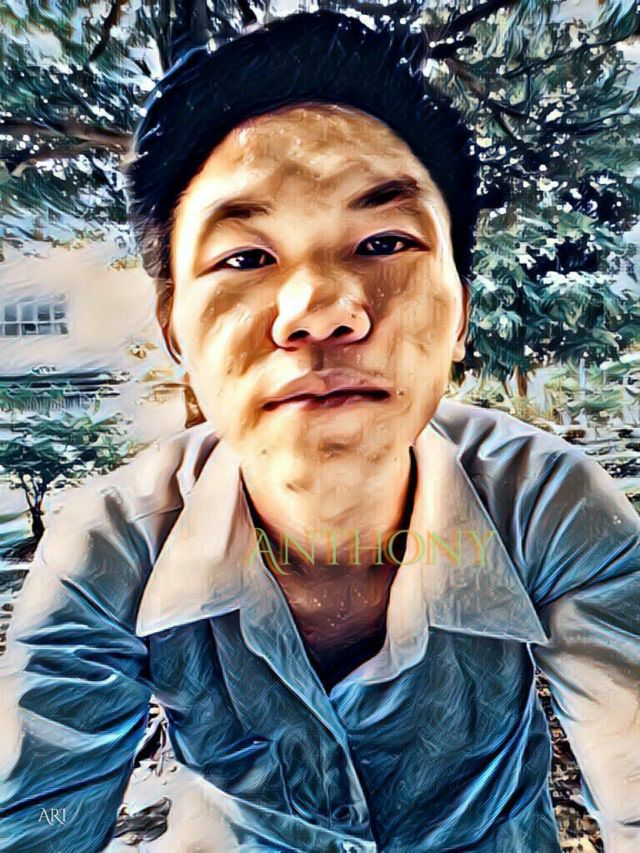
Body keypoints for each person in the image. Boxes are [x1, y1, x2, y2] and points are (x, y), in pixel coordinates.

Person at [1, 11, 639, 853]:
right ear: (174, 328)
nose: (321, 311)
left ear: (460, 309)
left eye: (384, 240)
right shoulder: (112, 545)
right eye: (244, 257)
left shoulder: (548, 506)